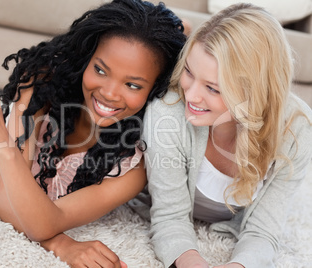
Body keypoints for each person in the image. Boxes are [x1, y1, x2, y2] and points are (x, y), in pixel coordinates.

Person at [0, 0, 186, 267]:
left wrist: (5, 147)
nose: (109, 93)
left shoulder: (133, 165)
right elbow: (3, 203)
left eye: (132, 84)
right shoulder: (43, 82)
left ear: (154, 91)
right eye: (100, 70)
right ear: (87, 58)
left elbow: (49, 220)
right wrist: (60, 243)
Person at [131, 3, 312, 268]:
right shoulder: (168, 113)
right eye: (189, 72)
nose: (191, 95)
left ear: (255, 92)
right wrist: (192, 261)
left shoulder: (296, 129)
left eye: (213, 88)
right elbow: (169, 218)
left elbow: (263, 232)